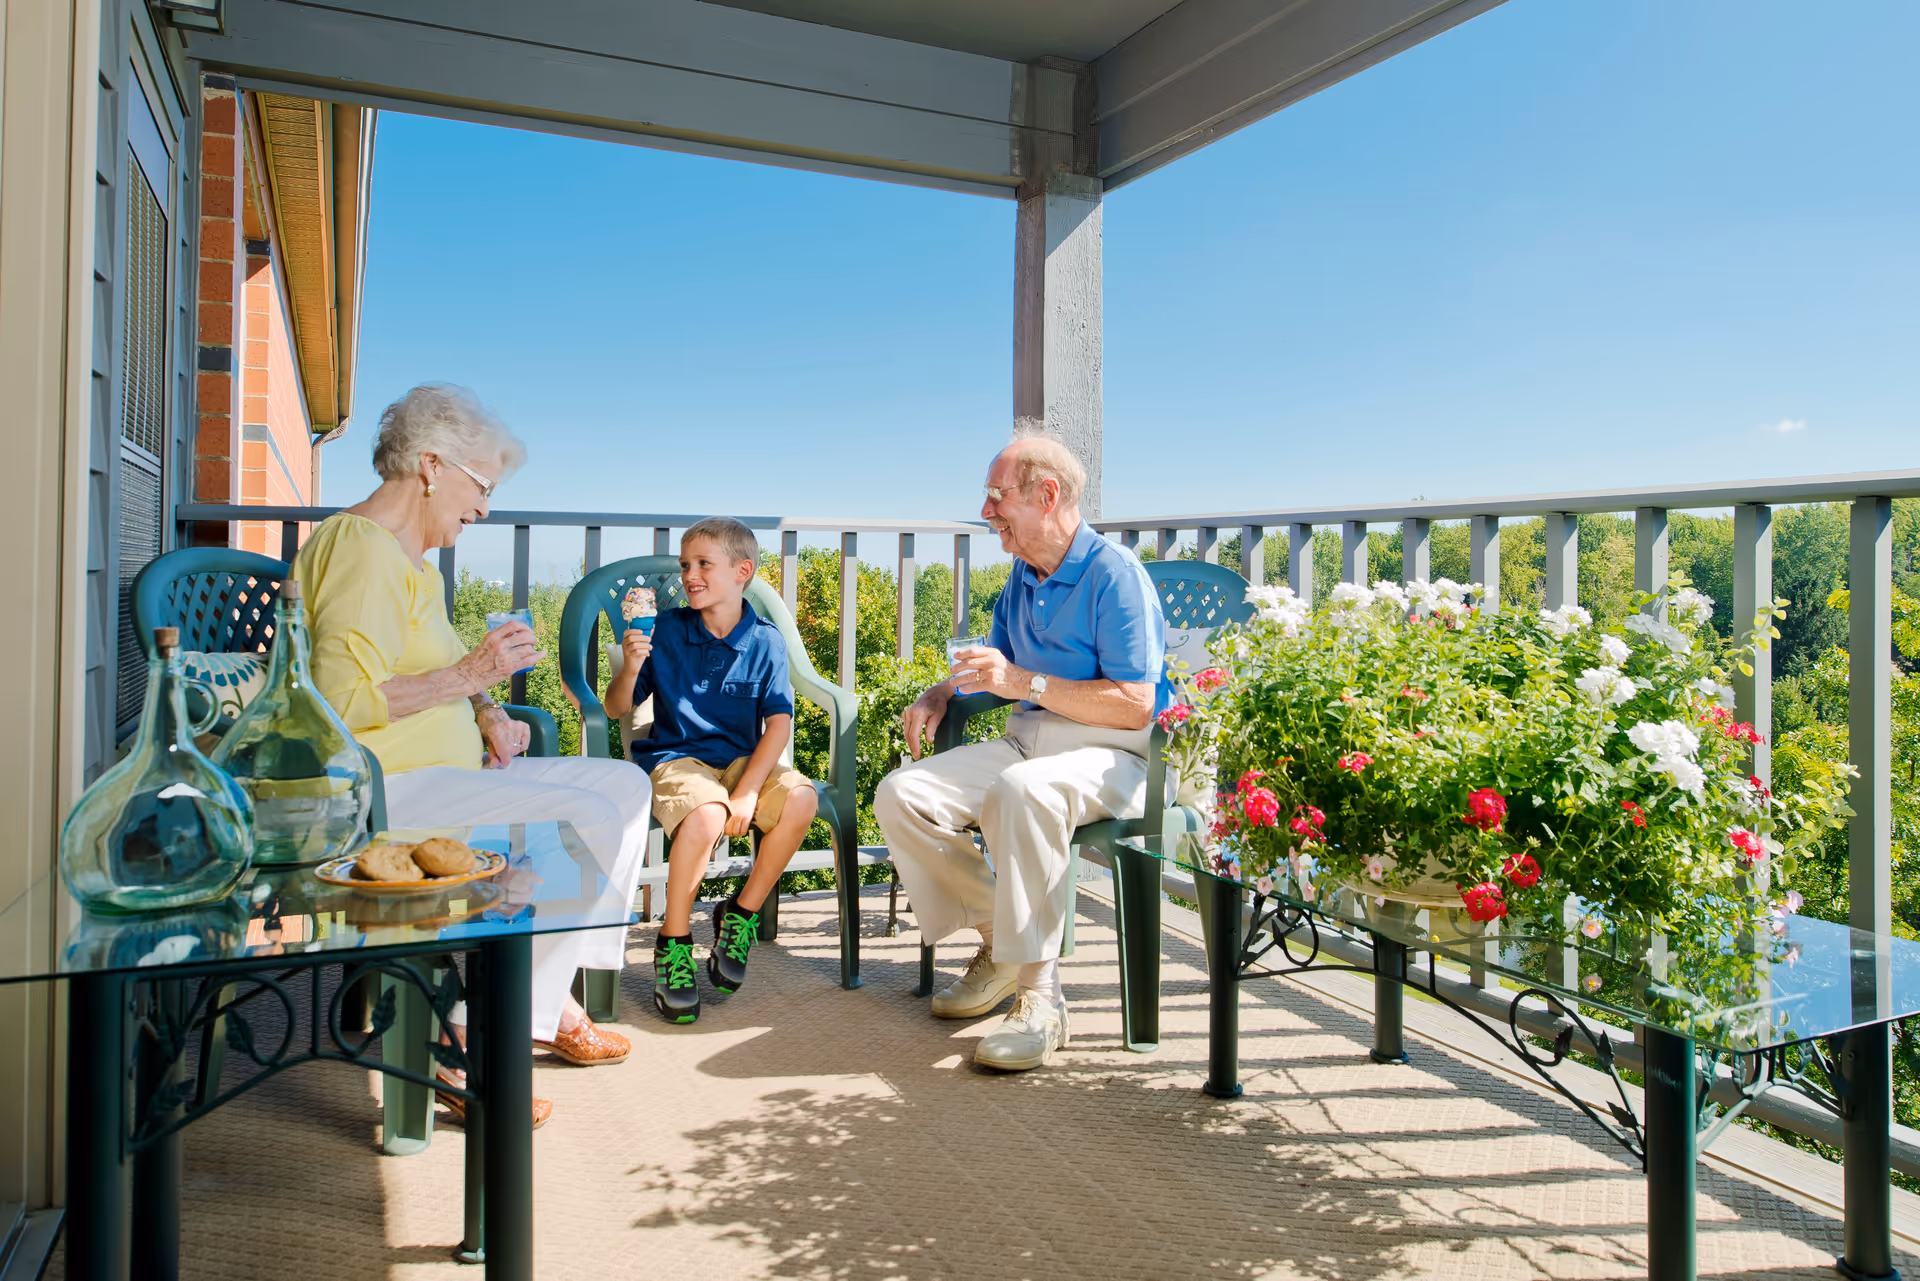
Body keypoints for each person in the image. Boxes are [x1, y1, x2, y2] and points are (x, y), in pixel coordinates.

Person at [295, 383, 649, 1128]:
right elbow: (336, 700)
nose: (486, 507)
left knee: (622, 785)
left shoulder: (413, 563)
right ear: (430, 465)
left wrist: (488, 712)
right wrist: (469, 679)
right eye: (482, 485)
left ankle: (540, 1008)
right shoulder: (361, 550)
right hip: (386, 792)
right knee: (581, 816)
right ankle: (476, 1038)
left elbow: (452, 669)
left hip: (446, 774)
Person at [875, 430, 1166, 1073]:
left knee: (1022, 790)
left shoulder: (1114, 575)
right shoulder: (1025, 574)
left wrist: (1024, 684)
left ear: (1047, 495)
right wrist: (938, 692)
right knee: (903, 794)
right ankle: (1004, 948)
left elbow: (1137, 704)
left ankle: (1041, 1000)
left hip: (1116, 754)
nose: (986, 512)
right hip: (1030, 742)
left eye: (996, 496)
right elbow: (994, 663)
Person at [602, 517, 818, 1024]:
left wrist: (746, 793)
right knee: (705, 816)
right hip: (678, 759)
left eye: (703, 564)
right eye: (685, 565)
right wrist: (630, 666)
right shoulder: (666, 631)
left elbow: (778, 726)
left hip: (743, 764)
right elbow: (615, 709)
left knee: (802, 799)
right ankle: (673, 940)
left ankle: (739, 914)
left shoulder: (764, 641)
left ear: (742, 571)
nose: (689, 575)